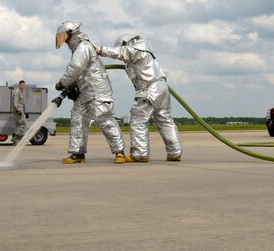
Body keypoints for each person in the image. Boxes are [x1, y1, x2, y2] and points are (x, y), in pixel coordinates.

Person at [96, 34, 182, 162]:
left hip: (148, 89)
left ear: (126, 44)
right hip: (161, 88)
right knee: (165, 121)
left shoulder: (137, 49)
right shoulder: (143, 51)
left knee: (137, 120)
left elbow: (121, 52)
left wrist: (100, 50)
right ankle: (175, 152)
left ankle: (140, 153)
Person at [54, 20, 126, 164]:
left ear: (71, 35)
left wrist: (62, 83)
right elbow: (80, 72)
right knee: (77, 119)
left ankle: (120, 152)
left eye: (65, 38)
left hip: (98, 91)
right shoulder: (78, 48)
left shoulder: (83, 47)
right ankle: (78, 153)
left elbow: (75, 68)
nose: (65, 42)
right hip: (85, 92)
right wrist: (72, 85)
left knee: (103, 119)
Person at [11, 80, 28, 144]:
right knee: (23, 124)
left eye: (24, 85)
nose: (23, 86)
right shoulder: (17, 92)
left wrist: (25, 112)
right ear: (19, 85)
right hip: (18, 111)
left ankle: (16, 140)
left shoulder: (22, 92)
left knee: (19, 125)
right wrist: (19, 111)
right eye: (21, 85)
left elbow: (22, 103)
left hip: (20, 110)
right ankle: (16, 138)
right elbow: (15, 102)